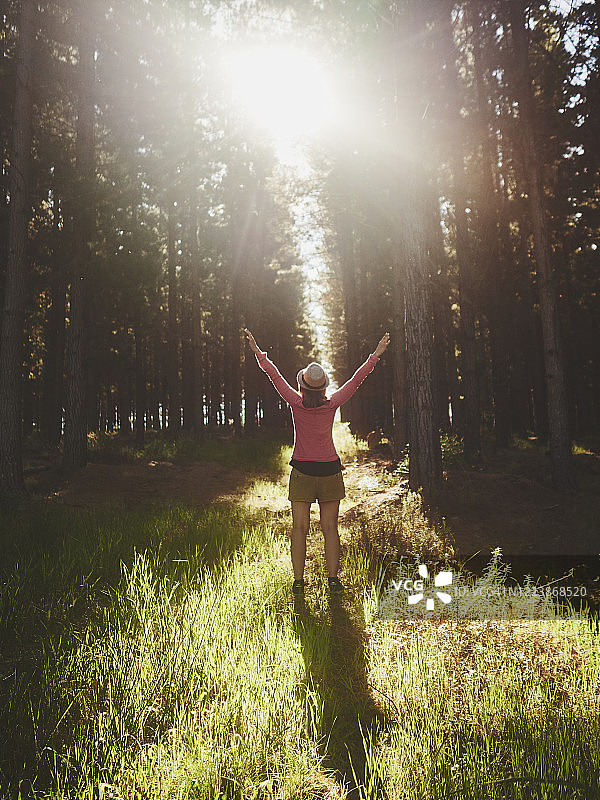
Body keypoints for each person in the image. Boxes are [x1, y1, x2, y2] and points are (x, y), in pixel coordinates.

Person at [244, 328, 390, 595]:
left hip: (301, 470)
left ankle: (298, 583)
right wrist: (375, 355)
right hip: (330, 471)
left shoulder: (295, 402)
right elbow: (356, 380)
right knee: (330, 529)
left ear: (301, 385)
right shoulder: (332, 403)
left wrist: (258, 353)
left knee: (299, 529)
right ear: (324, 386)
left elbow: (274, 375)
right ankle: (333, 581)